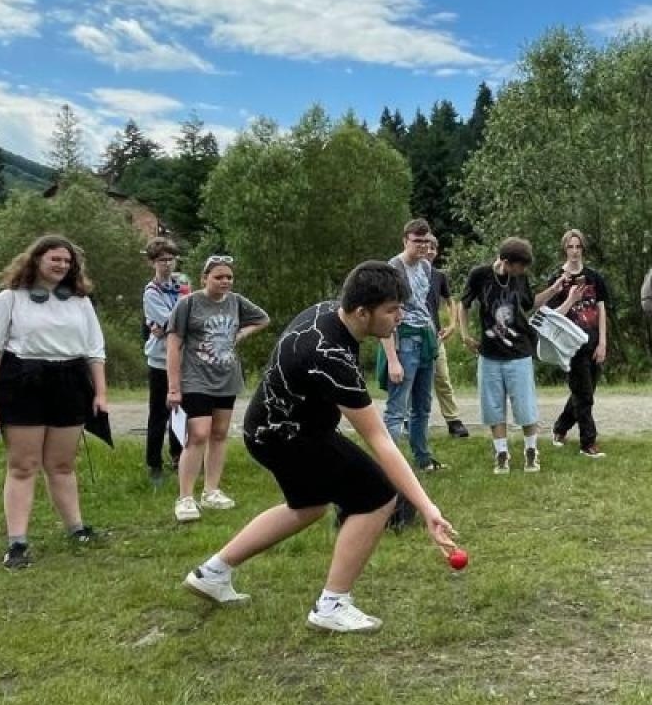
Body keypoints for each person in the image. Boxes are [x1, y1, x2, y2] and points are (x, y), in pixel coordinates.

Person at [182, 261, 457, 633]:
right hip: (288, 436)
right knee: (377, 495)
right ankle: (332, 604)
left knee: (307, 505)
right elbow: (379, 439)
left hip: (268, 430)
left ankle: (212, 572)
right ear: (363, 312)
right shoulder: (330, 356)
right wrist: (428, 508)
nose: (400, 316)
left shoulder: (329, 311)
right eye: (392, 309)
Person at [0, 235, 109, 569]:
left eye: (67, 261)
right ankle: (17, 542)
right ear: (36, 260)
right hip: (23, 383)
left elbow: (95, 350)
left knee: (62, 464)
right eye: (55, 259)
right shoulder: (9, 299)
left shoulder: (80, 302)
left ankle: (77, 529)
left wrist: (101, 393)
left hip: (70, 383)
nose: (62, 266)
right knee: (23, 466)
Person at [167, 255, 270, 523]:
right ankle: (185, 496)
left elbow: (263, 319)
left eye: (229, 277)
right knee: (198, 434)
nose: (224, 281)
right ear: (204, 278)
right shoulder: (188, 304)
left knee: (220, 433)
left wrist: (241, 335)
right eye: (218, 277)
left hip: (226, 376)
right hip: (195, 377)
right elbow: (173, 343)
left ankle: (211, 490)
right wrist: (173, 386)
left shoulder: (236, 302)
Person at [462, 237, 575, 474]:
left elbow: (528, 304)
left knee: (525, 406)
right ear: (505, 262)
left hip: (519, 353)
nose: (522, 271)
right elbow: (463, 304)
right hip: (490, 354)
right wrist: (464, 334)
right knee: (493, 407)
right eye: (519, 266)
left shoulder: (520, 277)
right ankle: (501, 454)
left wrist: (553, 290)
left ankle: (531, 452)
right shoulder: (479, 275)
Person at [380, 220, 446, 475]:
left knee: (422, 405)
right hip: (404, 340)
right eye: (417, 241)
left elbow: (424, 304)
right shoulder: (393, 268)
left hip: (425, 338)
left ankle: (423, 458)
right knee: (397, 408)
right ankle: (389, 466)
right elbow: (385, 315)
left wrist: (433, 333)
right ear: (405, 240)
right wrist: (392, 359)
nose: (422, 246)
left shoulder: (427, 267)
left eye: (426, 241)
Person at [538, 229, 610, 458]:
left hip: (592, 340)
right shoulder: (557, 279)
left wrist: (603, 342)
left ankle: (560, 428)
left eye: (578, 246)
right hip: (570, 343)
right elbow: (551, 315)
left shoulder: (594, 277)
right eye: (571, 246)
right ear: (564, 249)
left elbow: (601, 308)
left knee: (582, 392)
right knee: (584, 395)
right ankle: (588, 443)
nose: (575, 251)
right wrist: (571, 298)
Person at [141, 238, 188, 485]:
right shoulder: (152, 292)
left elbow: (191, 315)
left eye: (171, 259)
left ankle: (179, 455)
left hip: (183, 358)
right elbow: (173, 321)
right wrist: (165, 325)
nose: (167, 264)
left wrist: (171, 326)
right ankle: (154, 463)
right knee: (158, 413)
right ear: (152, 263)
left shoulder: (182, 285)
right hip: (160, 359)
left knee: (180, 412)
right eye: (162, 260)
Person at [424, 235, 470, 439]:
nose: (430, 251)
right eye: (427, 247)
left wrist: (452, 324)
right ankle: (409, 419)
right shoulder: (406, 273)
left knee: (442, 378)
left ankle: (453, 420)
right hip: (412, 335)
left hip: (435, 335)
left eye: (434, 247)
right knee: (414, 380)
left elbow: (451, 301)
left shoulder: (438, 275)